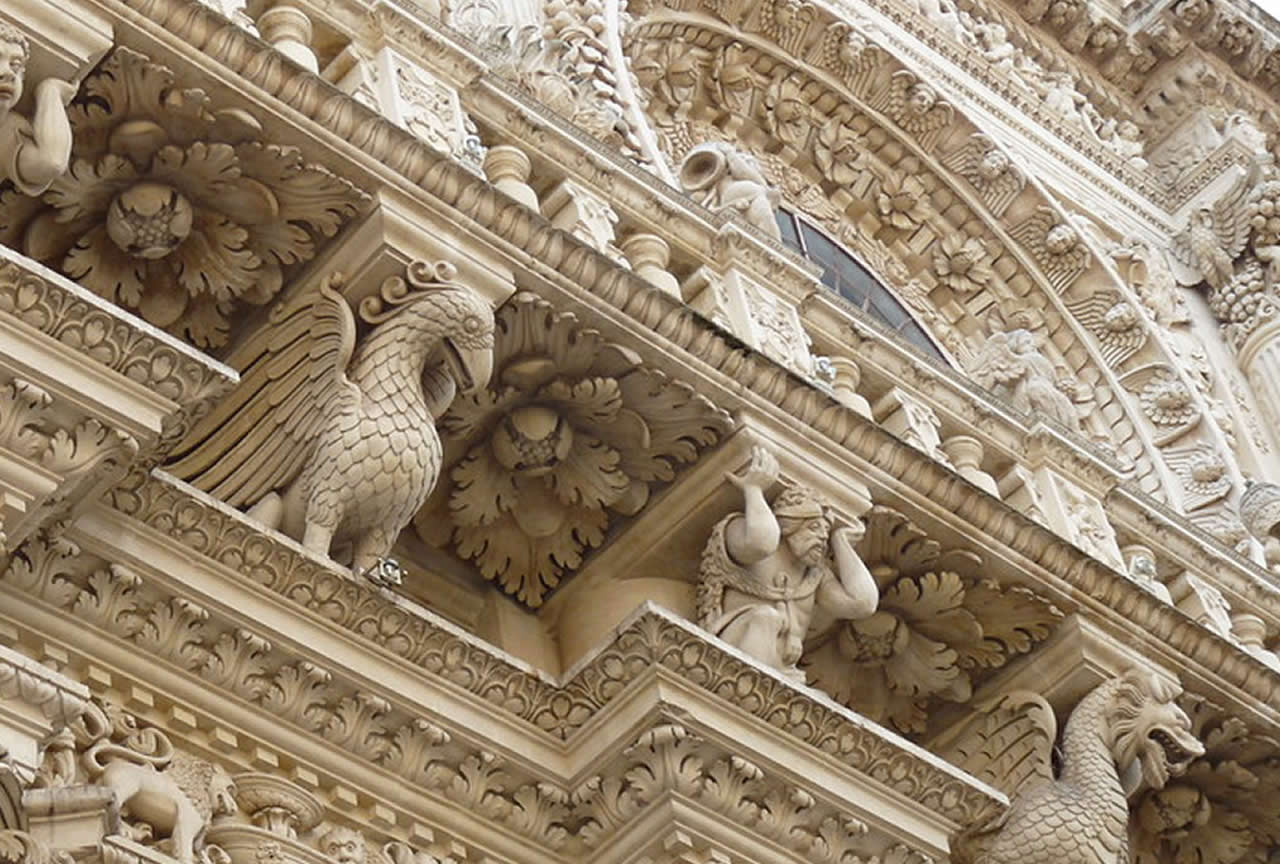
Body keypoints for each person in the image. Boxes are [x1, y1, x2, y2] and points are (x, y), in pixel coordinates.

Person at [696, 446, 879, 681]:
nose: (822, 537)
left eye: (825, 531)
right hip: (736, 651)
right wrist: (754, 491)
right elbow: (761, 542)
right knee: (766, 617)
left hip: (783, 671)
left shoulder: (814, 573)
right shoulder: (746, 533)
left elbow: (862, 603)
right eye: (814, 528)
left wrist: (840, 541)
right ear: (788, 524)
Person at [0, 25, 76, 196]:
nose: (9, 73)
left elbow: (51, 162)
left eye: (16, 66)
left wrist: (49, 91)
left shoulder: (6, 130)